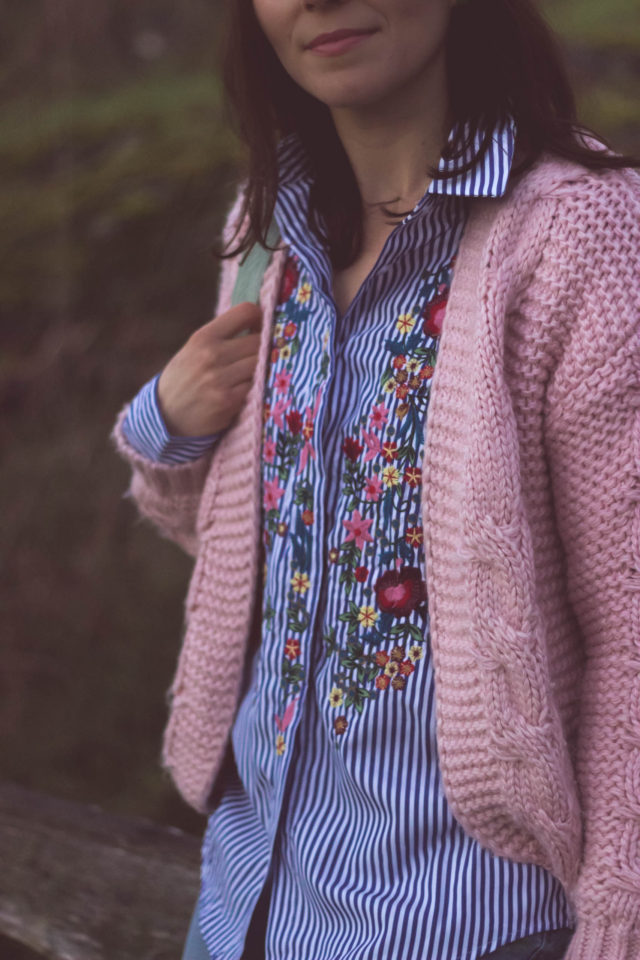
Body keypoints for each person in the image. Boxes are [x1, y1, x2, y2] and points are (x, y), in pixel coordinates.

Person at [111, 0, 640, 957]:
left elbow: (631, 632)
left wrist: (618, 927)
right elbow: (249, 546)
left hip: (469, 923)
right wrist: (165, 419)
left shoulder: (579, 237)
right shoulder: (264, 232)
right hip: (245, 903)